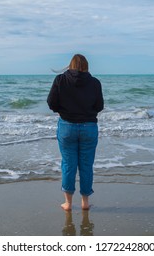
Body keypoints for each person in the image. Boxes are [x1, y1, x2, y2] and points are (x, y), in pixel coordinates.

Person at [47, 54, 104, 211]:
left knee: (68, 165)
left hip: (67, 127)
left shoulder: (60, 80)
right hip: (89, 127)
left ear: (70, 65)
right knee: (86, 165)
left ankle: (68, 203)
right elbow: (99, 106)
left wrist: (63, 111)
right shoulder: (94, 82)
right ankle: (85, 202)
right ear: (86, 66)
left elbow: (51, 102)